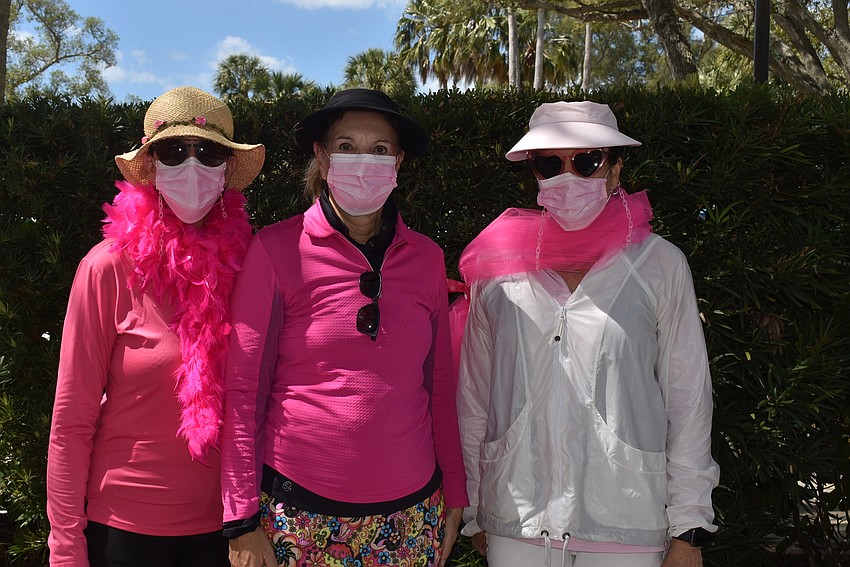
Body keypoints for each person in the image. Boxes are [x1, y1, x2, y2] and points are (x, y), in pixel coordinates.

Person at [455, 101, 720, 567]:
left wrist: (689, 525)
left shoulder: (660, 264)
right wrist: (477, 508)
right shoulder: (497, 274)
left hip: (627, 524)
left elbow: (688, 397)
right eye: (549, 163)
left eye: (587, 161)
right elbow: (474, 397)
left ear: (615, 170)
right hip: (516, 524)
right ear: (533, 173)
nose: (567, 176)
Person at [219, 88, 468, 567]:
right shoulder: (275, 250)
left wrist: (454, 493)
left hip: (411, 520)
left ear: (398, 162)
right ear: (322, 155)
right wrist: (241, 520)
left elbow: (438, 387)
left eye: (380, 149)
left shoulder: (428, 258)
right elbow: (244, 392)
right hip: (296, 518)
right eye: (347, 146)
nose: (364, 161)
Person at [46, 86, 265, 567]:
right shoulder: (106, 268)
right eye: (174, 151)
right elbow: (72, 421)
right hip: (124, 528)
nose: (192, 165)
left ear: (227, 169)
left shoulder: (253, 267)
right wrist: (65, 547)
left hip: (228, 530)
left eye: (209, 153)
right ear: (151, 166)